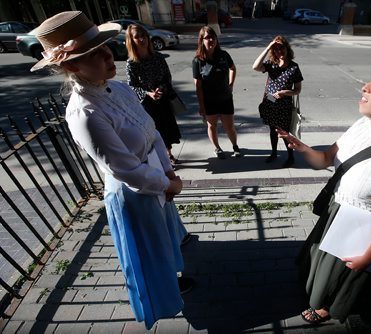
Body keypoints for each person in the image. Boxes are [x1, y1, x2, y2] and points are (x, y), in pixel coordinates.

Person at [30, 11, 193, 330]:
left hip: (156, 176)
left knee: (163, 238)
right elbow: (126, 170)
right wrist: (166, 184)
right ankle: (161, 301)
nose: (108, 54)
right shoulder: (84, 113)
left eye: (106, 46)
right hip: (135, 193)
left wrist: (168, 170)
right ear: (70, 65)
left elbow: (152, 129)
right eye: (93, 53)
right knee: (147, 253)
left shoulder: (116, 89)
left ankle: (173, 278)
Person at [278, 59, 371, 324]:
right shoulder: (362, 125)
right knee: (320, 266)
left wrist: (367, 259)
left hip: (359, 231)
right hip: (335, 215)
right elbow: (326, 159)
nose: (366, 86)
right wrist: (303, 148)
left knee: (339, 277)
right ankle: (319, 292)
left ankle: (327, 306)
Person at [125, 24, 182, 167]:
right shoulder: (131, 63)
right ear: (131, 40)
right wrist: (148, 93)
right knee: (153, 131)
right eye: (137, 36)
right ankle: (161, 158)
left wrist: (160, 90)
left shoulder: (157, 57)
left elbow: (167, 77)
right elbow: (132, 85)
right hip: (146, 103)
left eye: (143, 35)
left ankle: (169, 154)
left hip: (162, 98)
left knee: (167, 128)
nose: (142, 39)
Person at [253, 35, 303, 168]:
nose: (279, 51)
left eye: (281, 48)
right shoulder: (271, 65)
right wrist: (269, 46)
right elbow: (255, 67)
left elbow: (298, 90)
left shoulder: (294, 67)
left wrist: (285, 92)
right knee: (272, 130)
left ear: (287, 48)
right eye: (276, 49)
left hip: (284, 105)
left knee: (285, 132)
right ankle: (274, 153)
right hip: (269, 102)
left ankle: (290, 157)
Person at [192, 26, 240, 159]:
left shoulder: (224, 55)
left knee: (229, 126)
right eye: (207, 38)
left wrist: (231, 85)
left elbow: (233, 68)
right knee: (212, 126)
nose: (211, 40)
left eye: (213, 37)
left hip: (225, 98)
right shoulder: (197, 61)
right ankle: (217, 148)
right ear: (201, 40)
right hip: (209, 101)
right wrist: (201, 106)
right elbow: (198, 86)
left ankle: (235, 146)